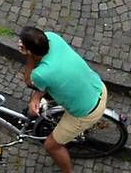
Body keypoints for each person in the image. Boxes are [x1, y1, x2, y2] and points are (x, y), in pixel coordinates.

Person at [17, 25, 107, 172]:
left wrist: (28, 56)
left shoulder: (39, 74)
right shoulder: (53, 38)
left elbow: (29, 81)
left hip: (87, 112)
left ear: (29, 50)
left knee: (51, 146)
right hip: (97, 87)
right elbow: (47, 78)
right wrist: (36, 98)